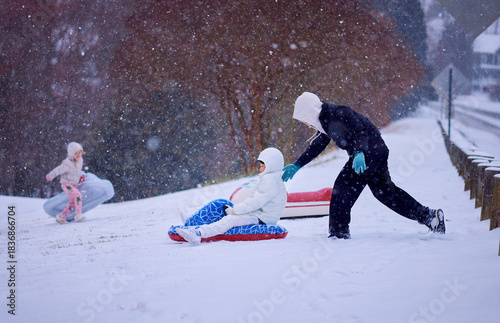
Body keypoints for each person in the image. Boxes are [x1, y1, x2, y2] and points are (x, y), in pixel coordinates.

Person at [282, 92, 445, 239]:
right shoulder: (324, 122)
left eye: (303, 118)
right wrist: (297, 165)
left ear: (309, 111)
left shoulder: (338, 113)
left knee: (342, 187)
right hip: (375, 151)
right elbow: (318, 145)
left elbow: (361, 132)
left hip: (369, 151)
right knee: (386, 193)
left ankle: (339, 233)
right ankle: (430, 217)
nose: (305, 122)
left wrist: (359, 153)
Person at [176, 147, 287, 244]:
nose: (260, 169)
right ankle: (192, 222)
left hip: (261, 218)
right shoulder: (273, 179)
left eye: (263, 166)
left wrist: (235, 210)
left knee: (229, 220)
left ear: (271, 166)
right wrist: (236, 209)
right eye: (260, 165)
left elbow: (256, 202)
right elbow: (257, 202)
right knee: (222, 207)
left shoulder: (270, 180)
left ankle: (198, 233)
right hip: (259, 215)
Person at [46, 142, 86, 224]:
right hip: (66, 184)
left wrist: (81, 176)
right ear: (71, 154)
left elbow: (77, 171)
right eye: (76, 153)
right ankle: (79, 215)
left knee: (72, 203)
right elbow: (58, 170)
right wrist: (50, 176)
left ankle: (61, 217)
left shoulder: (80, 161)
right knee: (78, 195)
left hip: (74, 184)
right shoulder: (67, 163)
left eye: (80, 152)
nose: (78, 155)